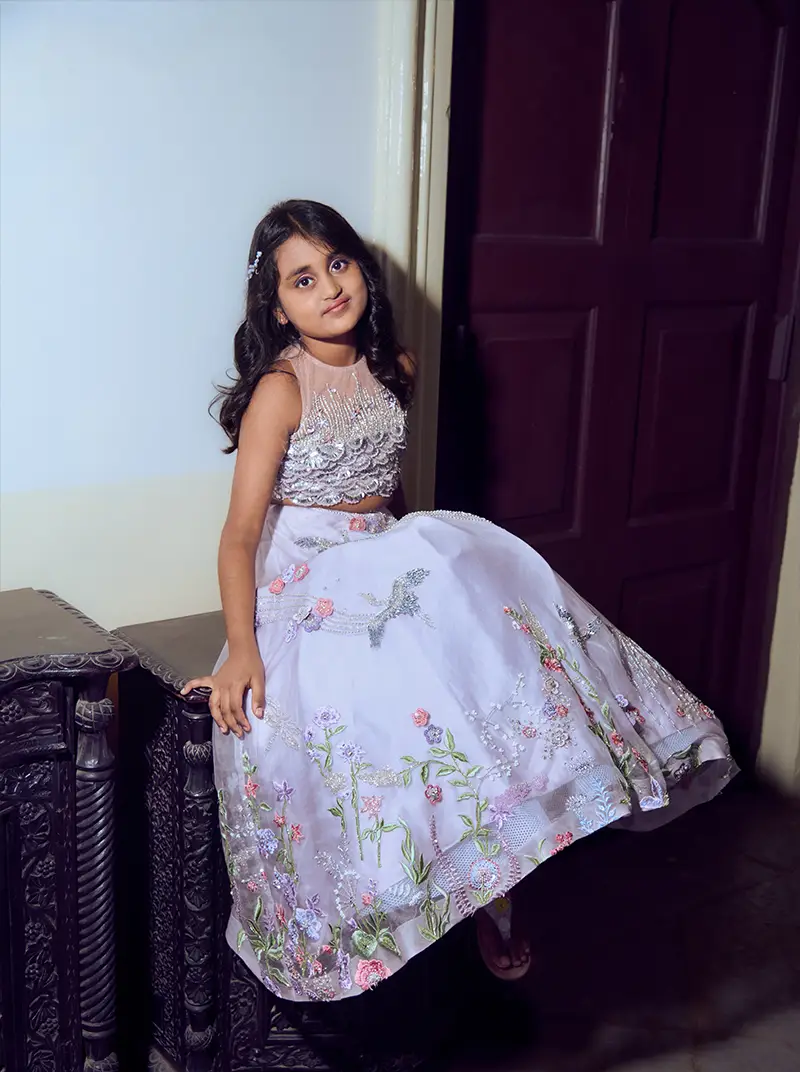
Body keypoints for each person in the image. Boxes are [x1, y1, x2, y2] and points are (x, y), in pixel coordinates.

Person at [183, 199, 737, 1002]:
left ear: (361, 268)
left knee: (480, 652)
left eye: (338, 263)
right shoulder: (282, 388)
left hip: (380, 551)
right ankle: (403, 901)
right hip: (304, 575)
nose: (329, 287)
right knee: (357, 721)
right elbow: (239, 534)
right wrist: (242, 649)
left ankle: (493, 885)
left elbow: (386, 492)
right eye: (303, 280)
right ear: (277, 308)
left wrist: (413, 563)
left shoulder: (395, 368)